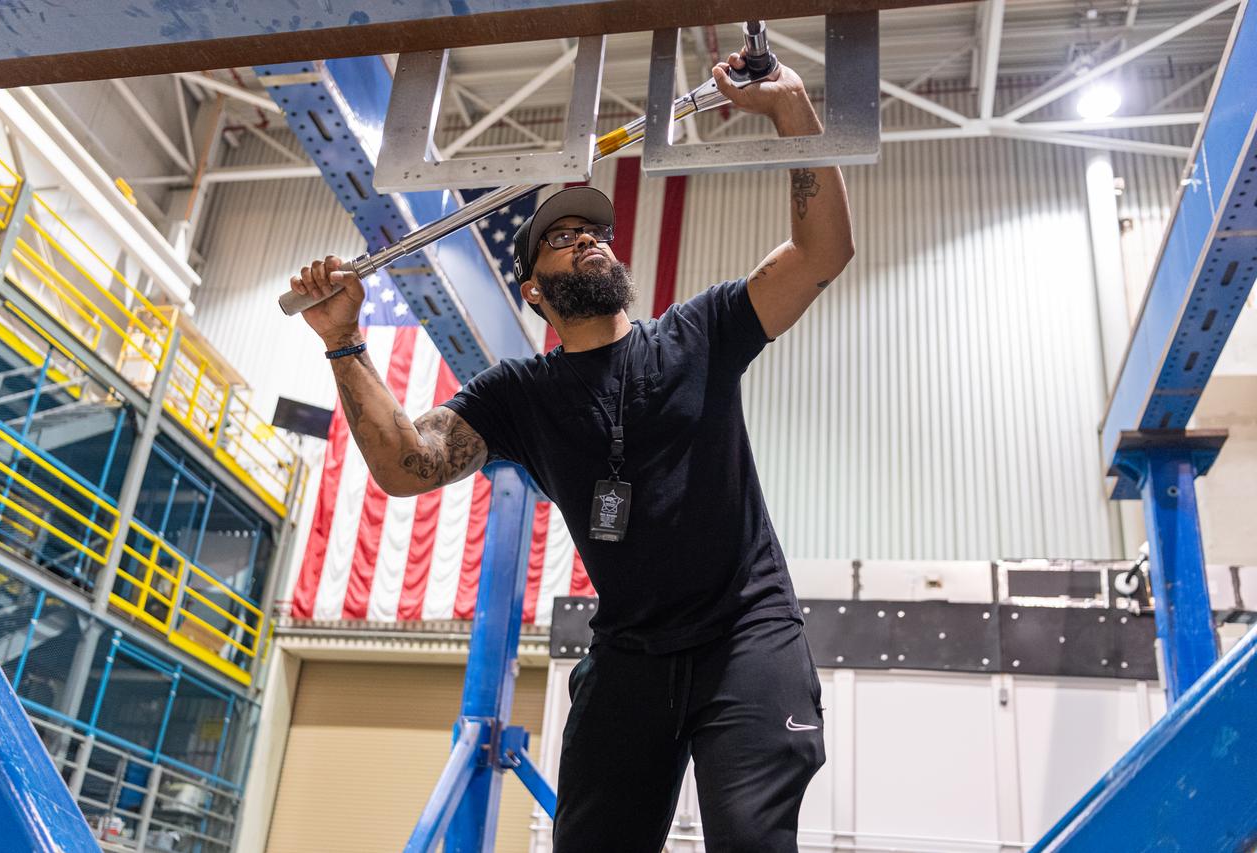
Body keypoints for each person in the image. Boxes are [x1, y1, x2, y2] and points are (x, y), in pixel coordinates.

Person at [290, 50, 854, 853]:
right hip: (631, 650)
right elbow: (404, 464)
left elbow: (821, 252)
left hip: (746, 634)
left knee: (752, 839)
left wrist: (792, 107)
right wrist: (345, 340)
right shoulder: (519, 396)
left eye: (592, 231)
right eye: (560, 238)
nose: (585, 240)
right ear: (533, 289)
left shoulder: (700, 333)